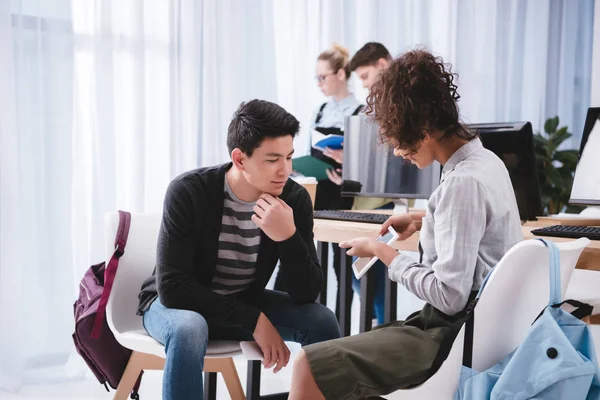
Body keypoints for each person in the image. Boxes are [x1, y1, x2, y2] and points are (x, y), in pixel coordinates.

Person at [288, 50, 524, 400]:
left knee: (308, 364)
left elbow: (449, 297)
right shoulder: (485, 162)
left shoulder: (462, 184)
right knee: (339, 362)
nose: (398, 151)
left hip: (449, 333)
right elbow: (475, 225)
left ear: (425, 128)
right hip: (480, 329)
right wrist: (424, 218)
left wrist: (385, 254)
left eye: (398, 138)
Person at [137, 100, 340, 400]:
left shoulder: (293, 200)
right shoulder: (189, 191)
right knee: (189, 328)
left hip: (240, 301)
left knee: (323, 321)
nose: (285, 170)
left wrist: (288, 237)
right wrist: (253, 320)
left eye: (289, 157)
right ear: (240, 158)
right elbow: (173, 288)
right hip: (175, 307)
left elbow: (306, 294)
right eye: (272, 159)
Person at [276, 44, 364, 319]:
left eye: (322, 77)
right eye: (316, 78)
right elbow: (307, 149)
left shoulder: (361, 111)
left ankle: (340, 323)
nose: (319, 83)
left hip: (342, 192)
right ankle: (302, 315)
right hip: (316, 190)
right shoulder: (320, 110)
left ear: (341, 74)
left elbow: (365, 162)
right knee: (308, 255)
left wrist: (346, 163)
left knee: (342, 263)